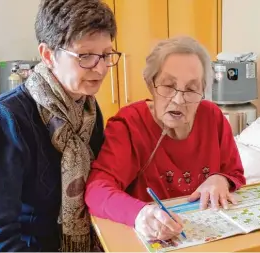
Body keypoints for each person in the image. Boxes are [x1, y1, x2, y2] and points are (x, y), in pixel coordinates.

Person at [0, 0, 119, 251]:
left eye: (106, 55)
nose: (102, 68)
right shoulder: (7, 117)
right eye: (85, 56)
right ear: (48, 55)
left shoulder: (88, 111)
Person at [85, 36, 246, 241]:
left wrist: (220, 179)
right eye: (168, 86)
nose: (178, 100)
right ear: (151, 85)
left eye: (191, 89)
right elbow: (96, 191)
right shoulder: (129, 124)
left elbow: (235, 173)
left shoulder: (213, 117)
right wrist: (139, 214)